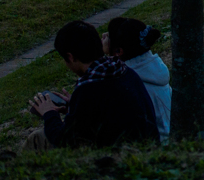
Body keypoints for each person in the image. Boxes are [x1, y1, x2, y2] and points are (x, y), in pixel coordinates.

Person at [25, 21, 159, 151]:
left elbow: (65, 140)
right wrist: (74, 106)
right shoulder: (124, 71)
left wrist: (49, 113)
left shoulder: (89, 88)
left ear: (70, 57)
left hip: (118, 163)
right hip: (147, 152)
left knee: (37, 138)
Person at [105, 17, 172, 143]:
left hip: (157, 150)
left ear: (118, 51)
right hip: (174, 141)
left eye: (108, 36)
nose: (103, 37)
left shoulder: (128, 81)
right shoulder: (155, 69)